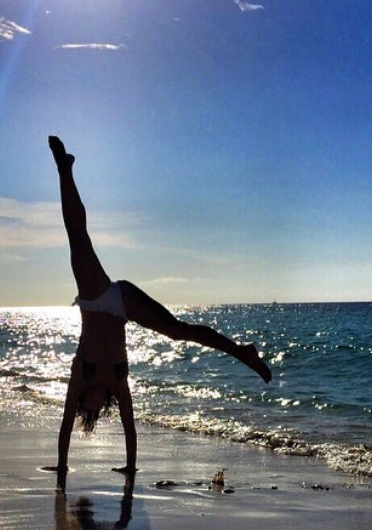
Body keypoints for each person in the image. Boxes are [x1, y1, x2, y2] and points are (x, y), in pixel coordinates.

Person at [49, 135, 271, 490]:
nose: (84, 404)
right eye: (88, 408)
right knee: (178, 332)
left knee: (78, 238)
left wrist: (60, 466)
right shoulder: (118, 384)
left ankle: (64, 169)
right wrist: (130, 468)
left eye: (84, 407)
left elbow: (63, 427)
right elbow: (130, 428)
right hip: (120, 305)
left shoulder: (81, 377)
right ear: (97, 406)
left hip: (97, 297)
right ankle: (242, 351)